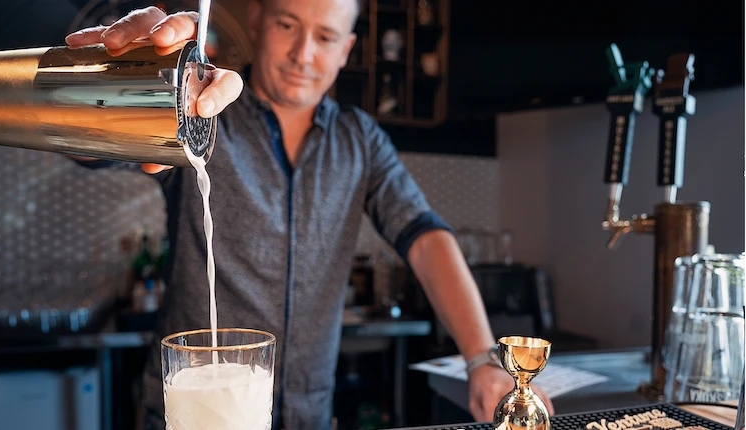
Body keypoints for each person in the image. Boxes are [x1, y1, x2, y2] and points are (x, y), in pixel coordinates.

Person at [65, 0, 554, 428]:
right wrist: (119, 77)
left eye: (325, 37)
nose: (303, 54)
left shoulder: (359, 140)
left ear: (347, 48)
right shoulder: (200, 109)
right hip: (192, 414)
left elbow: (423, 236)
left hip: (309, 414)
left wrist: (482, 357)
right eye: (286, 25)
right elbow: (89, 145)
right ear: (257, 20)